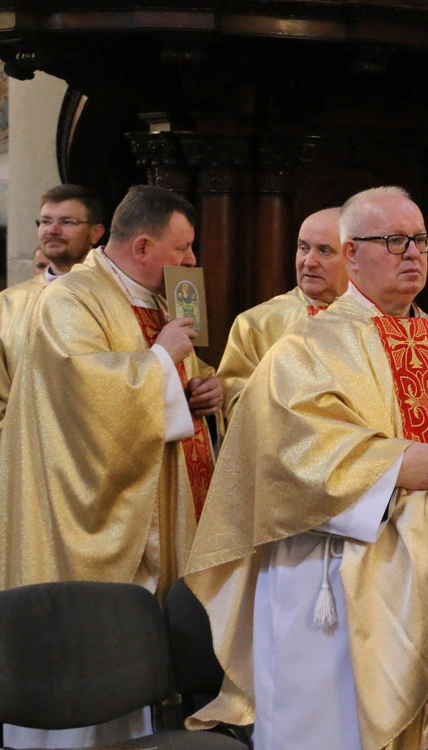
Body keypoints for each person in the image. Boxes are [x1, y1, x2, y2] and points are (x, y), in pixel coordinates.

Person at [185, 186, 428, 750]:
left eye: (420, 239)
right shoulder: (304, 348)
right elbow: (286, 450)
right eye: (394, 241)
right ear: (352, 254)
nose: (413, 253)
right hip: (343, 572)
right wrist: (396, 464)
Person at [0, 185, 220, 749]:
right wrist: (161, 360)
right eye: (182, 248)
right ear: (142, 246)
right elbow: (82, 399)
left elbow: (166, 385)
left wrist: (200, 391)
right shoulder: (72, 299)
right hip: (86, 509)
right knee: (88, 665)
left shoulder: (157, 301)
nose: (191, 260)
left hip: (155, 501)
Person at [217, 207, 348, 418]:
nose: (309, 262)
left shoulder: (377, 320)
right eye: (303, 248)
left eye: (324, 251)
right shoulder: (257, 324)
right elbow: (236, 406)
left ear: (354, 257)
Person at [0, 185, 106, 430]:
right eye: (46, 221)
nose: (53, 230)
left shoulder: (116, 294)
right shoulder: (9, 302)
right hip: (21, 438)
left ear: (96, 232)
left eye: (67, 222)